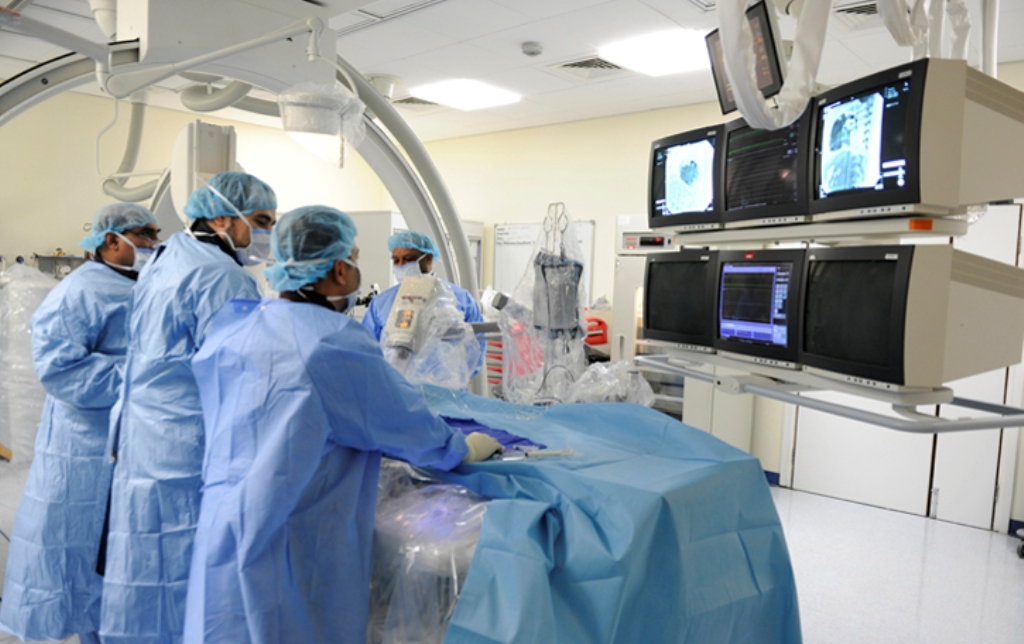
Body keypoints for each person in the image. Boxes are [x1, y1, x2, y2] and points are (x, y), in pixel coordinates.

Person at [182, 206, 501, 644]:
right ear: (338, 269)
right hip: (288, 540)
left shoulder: (238, 324)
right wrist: (462, 447)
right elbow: (406, 426)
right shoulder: (331, 343)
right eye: (353, 258)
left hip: (222, 530)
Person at [99, 172, 276, 644]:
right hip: (186, 443)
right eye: (261, 221)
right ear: (221, 219)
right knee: (185, 567)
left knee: (144, 562)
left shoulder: (167, 256)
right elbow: (240, 377)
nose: (266, 234)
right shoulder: (225, 277)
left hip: (144, 436)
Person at [0, 204, 160, 644]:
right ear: (112, 240)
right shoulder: (82, 289)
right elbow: (59, 368)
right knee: (84, 552)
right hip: (86, 444)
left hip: (128, 438)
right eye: (146, 234)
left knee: (116, 554)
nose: (154, 243)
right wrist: (144, 375)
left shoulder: (138, 285)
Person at [362, 230, 484, 340]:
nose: (401, 265)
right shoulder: (381, 304)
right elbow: (366, 346)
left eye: (408, 259)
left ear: (428, 258)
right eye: (396, 260)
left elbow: (478, 342)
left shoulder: (461, 299)